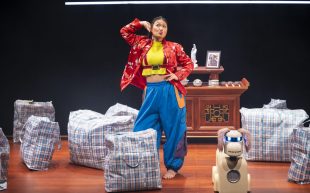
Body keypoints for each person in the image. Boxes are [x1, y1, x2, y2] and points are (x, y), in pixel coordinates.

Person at [120, 16, 194, 179]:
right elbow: (124, 32)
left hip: (170, 91)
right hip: (150, 91)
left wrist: (178, 75)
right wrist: (139, 24)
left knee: (174, 129)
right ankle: (146, 163)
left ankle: (173, 167)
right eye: (158, 25)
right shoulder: (141, 43)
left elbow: (189, 64)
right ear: (151, 28)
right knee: (143, 128)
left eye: (164, 27)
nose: (161, 28)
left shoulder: (174, 47)